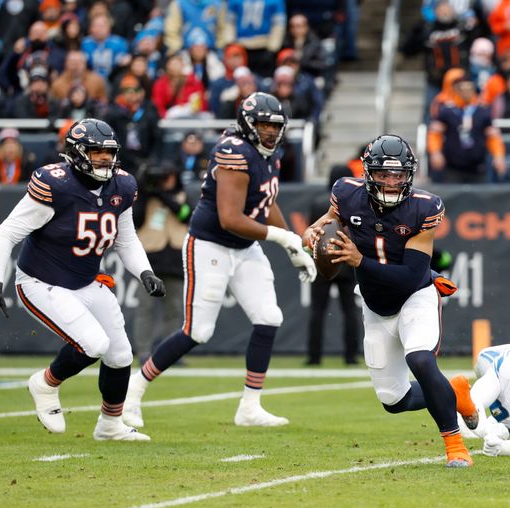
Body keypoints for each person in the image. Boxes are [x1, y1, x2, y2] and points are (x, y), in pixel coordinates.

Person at [123, 92, 316, 429]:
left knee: (269, 316)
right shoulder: (233, 152)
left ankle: (250, 407)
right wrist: (283, 238)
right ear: (247, 124)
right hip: (211, 244)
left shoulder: (269, 154)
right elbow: (230, 218)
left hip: (244, 248)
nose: (270, 132)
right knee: (198, 331)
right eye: (263, 125)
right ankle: (133, 391)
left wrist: (294, 245)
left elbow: (267, 203)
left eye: (275, 126)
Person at [0, 118, 165, 441]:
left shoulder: (122, 186)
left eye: (109, 153)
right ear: (76, 153)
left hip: (87, 281)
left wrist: (145, 271)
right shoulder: (56, 185)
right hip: (40, 281)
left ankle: (110, 425)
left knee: (120, 354)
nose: (104, 159)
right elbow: (5, 234)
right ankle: (45, 384)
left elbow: (126, 239)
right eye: (95, 152)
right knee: (94, 343)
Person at [302, 134, 472, 468]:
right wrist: (314, 232)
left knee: (421, 361)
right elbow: (326, 224)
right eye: (383, 174)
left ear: (410, 174)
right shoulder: (346, 194)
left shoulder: (424, 207)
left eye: (398, 175)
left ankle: (455, 446)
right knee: (393, 400)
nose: (391, 182)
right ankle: (453, 391)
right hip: (374, 303)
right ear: (368, 173)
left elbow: (410, 275)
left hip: (415, 295)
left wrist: (359, 262)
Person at [132, 163, 194, 365]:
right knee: (145, 308)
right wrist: (145, 191)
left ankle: (171, 353)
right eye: (161, 178)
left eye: (168, 177)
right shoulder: (144, 199)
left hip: (175, 259)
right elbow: (136, 220)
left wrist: (162, 194)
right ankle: (143, 352)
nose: (164, 181)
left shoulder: (182, 197)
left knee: (174, 309)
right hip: (149, 259)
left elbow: (185, 214)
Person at [305, 168, 361, 366]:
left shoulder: (318, 201)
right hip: (345, 260)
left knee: (317, 310)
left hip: (322, 262)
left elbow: (313, 234)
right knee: (350, 311)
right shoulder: (354, 202)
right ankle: (351, 355)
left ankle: (314, 356)